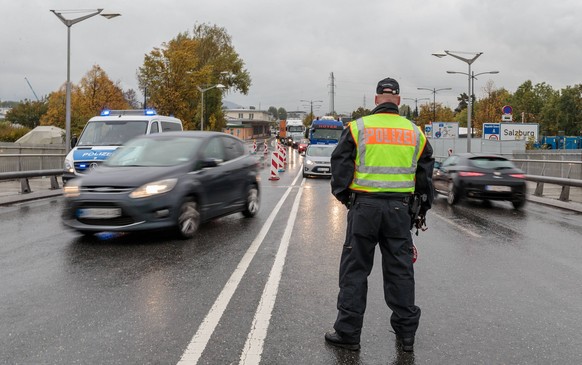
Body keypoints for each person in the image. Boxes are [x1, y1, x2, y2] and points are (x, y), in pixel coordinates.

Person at [325, 77, 434, 352]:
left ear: (376, 99)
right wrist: (420, 209)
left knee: (355, 270)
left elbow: (339, 163)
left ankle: (348, 334)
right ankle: (406, 336)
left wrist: (346, 197)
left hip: (364, 208)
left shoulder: (358, 127)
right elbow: (425, 177)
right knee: (400, 271)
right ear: (398, 100)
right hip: (399, 211)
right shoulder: (415, 132)